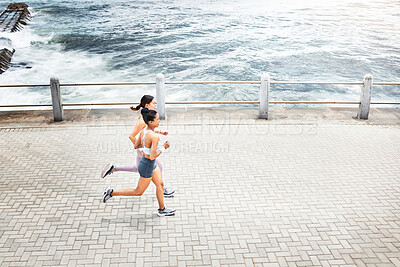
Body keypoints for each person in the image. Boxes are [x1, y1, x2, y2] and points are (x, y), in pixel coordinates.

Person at [102, 108, 176, 217]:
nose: (159, 121)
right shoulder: (154, 137)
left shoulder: (143, 132)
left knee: (160, 184)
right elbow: (152, 156)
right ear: (150, 122)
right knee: (138, 192)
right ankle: (111, 193)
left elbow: (136, 146)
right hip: (147, 166)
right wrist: (164, 147)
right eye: (157, 119)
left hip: (149, 164)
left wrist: (145, 148)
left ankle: (162, 209)